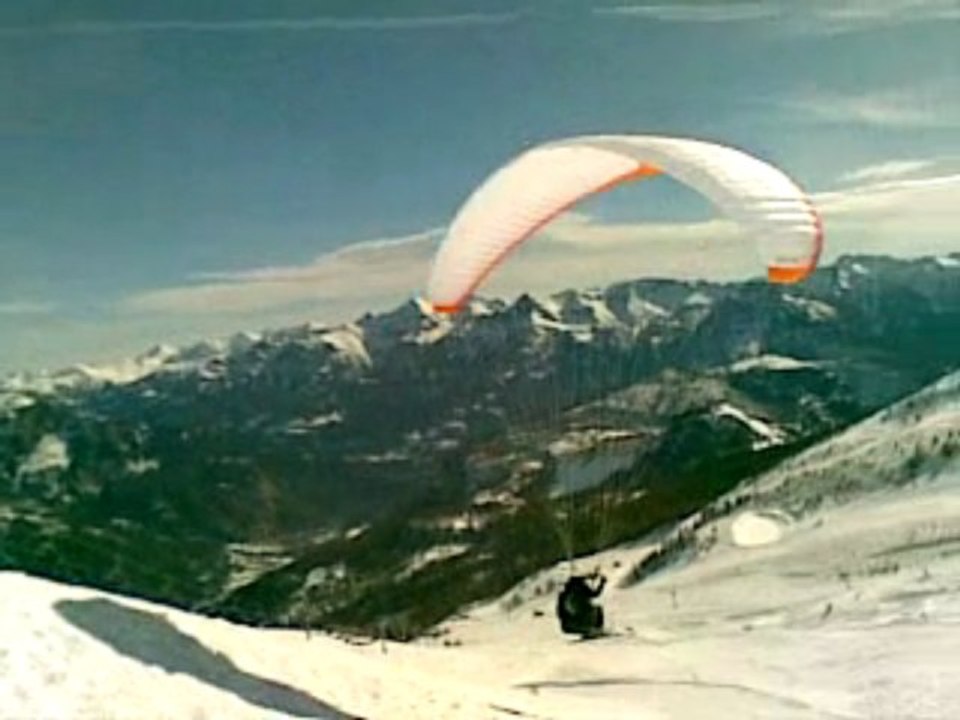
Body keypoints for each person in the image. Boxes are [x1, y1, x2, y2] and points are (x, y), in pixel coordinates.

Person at [556, 569, 606, 638]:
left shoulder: (564, 593)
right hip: (579, 622)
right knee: (597, 608)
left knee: (593, 609)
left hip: (569, 625)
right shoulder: (581, 588)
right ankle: (596, 629)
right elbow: (595, 594)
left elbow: (559, 611)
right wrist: (602, 583)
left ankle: (590, 630)